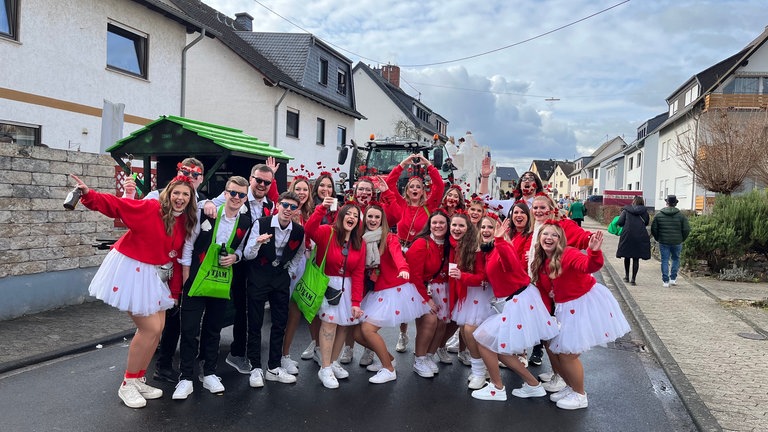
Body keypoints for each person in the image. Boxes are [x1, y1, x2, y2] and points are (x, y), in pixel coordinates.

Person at [70, 173, 197, 409]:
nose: (180, 198)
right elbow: (118, 206)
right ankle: (127, 383)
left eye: (185, 195)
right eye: (176, 193)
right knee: (149, 328)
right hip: (132, 269)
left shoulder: (184, 222)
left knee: (158, 330)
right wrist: (88, 195)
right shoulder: (151, 208)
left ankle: (138, 378)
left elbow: (176, 258)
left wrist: (175, 291)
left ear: (191, 199)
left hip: (155, 276)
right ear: (168, 193)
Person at [530, 224, 630, 410]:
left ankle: (580, 395)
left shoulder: (568, 253)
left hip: (582, 304)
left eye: (554, 235)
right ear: (539, 237)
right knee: (561, 351)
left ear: (561, 240)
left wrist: (593, 251)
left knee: (568, 355)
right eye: (545, 234)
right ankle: (571, 387)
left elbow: (589, 265)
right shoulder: (543, 259)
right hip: (566, 306)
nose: (549, 238)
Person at [172, 176, 252, 400]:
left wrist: (235, 257)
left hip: (220, 281)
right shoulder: (206, 213)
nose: (236, 198)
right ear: (225, 194)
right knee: (189, 329)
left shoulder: (245, 221)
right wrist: (187, 275)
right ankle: (186, 377)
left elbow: (243, 250)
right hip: (196, 278)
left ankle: (209, 373)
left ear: (246, 197)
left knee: (214, 329)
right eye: (232, 193)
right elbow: (189, 243)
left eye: (241, 195)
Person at [471, 218, 558, 401]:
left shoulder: (503, 246)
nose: (487, 230)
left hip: (519, 302)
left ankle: (497, 387)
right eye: (483, 227)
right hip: (511, 302)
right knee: (498, 346)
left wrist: (501, 240)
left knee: (485, 340)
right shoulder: (487, 251)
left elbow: (511, 265)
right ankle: (532, 385)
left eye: (491, 227)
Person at [141, 158, 206, 384]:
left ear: (201, 179)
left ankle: (164, 365)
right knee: (153, 323)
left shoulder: (203, 203)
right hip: (159, 268)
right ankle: (140, 371)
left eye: (195, 175)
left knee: (175, 320)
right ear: (178, 172)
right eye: (186, 172)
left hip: (184, 269)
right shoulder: (156, 197)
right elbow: (139, 219)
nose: (191, 178)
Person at [356, 204, 429, 383]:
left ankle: (388, 370)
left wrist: (403, 268)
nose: (373, 220)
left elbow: (397, 255)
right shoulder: (361, 239)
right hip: (375, 290)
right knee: (356, 334)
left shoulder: (389, 238)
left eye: (377, 218)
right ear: (364, 219)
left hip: (393, 290)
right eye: (370, 217)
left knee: (367, 329)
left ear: (382, 221)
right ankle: (388, 359)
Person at [242, 191, 306, 388]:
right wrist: (257, 243)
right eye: (285, 205)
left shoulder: (298, 230)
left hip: (280, 277)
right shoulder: (261, 223)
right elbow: (247, 254)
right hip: (259, 274)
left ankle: (274, 367)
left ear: (298, 210)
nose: (288, 210)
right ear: (278, 204)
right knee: (255, 322)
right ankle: (255, 367)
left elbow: (299, 253)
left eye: (293, 207)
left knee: (279, 322)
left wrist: (289, 272)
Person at [218, 164, 276, 375]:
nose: (261, 185)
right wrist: (206, 202)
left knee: (253, 309)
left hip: (258, 265)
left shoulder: (270, 204)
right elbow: (217, 203)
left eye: (266, 182)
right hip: (236, 261)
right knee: (238, 307)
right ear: (251, 179)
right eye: (258, 180)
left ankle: (246, 351)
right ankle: (236, 351)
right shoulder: (238, 195)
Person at [385, 153, 445, 355]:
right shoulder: (401, 204)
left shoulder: (430, 207)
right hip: (401, 253)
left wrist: (428, 165)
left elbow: (440, 185)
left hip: (421, 252)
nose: (415, 190)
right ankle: (403, 333)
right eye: (411, 187)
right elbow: (389, 183)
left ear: (423, 190)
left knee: (421, 291)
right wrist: (403, 164)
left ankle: (423, 338)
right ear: (407, 190)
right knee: (403, 293)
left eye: (418, 187)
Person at [305, 200, 366, 389]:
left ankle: (332, 362)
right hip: (327, 283)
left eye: (356, 216)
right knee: (329, 325)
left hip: (346, 287)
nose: (352, 218)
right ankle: (324, 367)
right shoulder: (326, 232)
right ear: (341, 216)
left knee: (344, 326)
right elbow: (309, 228)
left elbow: (358, 273)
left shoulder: (359, 242)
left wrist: (356, 301)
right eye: (349, 214)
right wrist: (321, 208)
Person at [405, 211, 449, 378]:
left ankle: (429, 356)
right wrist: (426, 299)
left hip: (441, 288)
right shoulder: (422, 243)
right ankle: (419, 359)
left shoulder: (448, 244)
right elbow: (414, 276)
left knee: (442, 322)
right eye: (434, 222)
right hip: (419, 289)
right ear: (429, 225)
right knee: (430, 320)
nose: (438, 226)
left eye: (442, 223)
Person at [651, 195, 691, 288]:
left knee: (664, 260)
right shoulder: (681, 216)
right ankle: (673, 279)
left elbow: (654, 229)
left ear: (667, 203)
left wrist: (658, 238)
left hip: (664, 241)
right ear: (676, 203)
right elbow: (686, 229)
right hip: (677, 241)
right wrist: (682, 238)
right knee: (676, 259)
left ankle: (665, 281)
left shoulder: (659, 215)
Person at [616, 196, 651, 285]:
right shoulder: (645, 212)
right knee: (636, 258)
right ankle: (633, 279)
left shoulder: (626, 211)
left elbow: (620, 222)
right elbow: (646, 223)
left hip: (627, 235)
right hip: (640, 235)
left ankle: (627, 276)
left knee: (627, 256)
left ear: (633, 202)